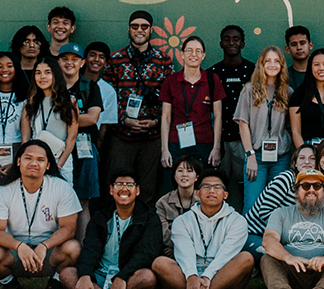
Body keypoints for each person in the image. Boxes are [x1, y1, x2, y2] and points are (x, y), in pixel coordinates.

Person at [0, 139, 81, 289]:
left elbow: (69, 228)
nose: (34, 163)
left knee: (73, 248)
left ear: (48, 165)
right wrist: (19, 247)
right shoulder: (2, 190)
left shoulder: (62, 188)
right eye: (28, 158)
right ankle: (11, 286)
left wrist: (44, 246)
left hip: (48, 252)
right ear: (18, 161)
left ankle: (54, 286)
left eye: (40, 160)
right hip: (14, 251)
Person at [60, 170, 161, 289]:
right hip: (100, 274)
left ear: (137, 190)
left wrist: (121, 277)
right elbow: (90, 249)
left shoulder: (149, 217)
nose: (124, 189)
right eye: (119, 184)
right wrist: (85, 275)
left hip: (127, 276)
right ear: (111, 190)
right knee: (66, 274)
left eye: (129, 185)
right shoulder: (100, 216)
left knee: (147, 278)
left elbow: (146, 253)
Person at [154, 168, 254, 289]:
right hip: (189, 273)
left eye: (217, 188)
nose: (211, 191)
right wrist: (192, 276)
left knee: (246, 259)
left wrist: (207, 276)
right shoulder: (182, 221)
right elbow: (184, 250)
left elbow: (227, 253)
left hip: (220, 273)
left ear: (225, 195)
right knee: (160, 263)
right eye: (206, 187)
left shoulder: (237, 221)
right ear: (197, 193)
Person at [106, 13, 172, 210]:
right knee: (117, 186)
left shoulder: (163, 60)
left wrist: (156, 121)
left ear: (151, 30)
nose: (139, 30)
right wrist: (124, 119)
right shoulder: (115, 59)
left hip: (152, 136)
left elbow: (170, 98)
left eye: (144, 26)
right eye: (135, 26)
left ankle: (143, 232)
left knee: (149, 189)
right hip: (122, 136)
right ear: (129, 29)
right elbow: (108, 97)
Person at [160, 36, 226, 184]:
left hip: (204, 143)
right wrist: (165, 149)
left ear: (203, 55)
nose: (193, 54)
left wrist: (216, 148)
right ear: (182, 54)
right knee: (174, 187)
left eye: (198, 51)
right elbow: (166, 117)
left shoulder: (212, 79)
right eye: (189, 50)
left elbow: (218, 116)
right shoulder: (171, 81)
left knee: (202, 187)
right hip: (175, 144)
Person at [238, 46, 294, 215]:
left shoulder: (287, 92)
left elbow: (290, 126)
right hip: (257, 156)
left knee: (277, 208)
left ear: (282, 65)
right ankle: (253, 242)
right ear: (261, 64)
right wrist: (250, 155)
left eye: (276, 61)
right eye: (268, 60)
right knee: (252, 206)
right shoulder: (249, 89)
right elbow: (242, 123)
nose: (272, 64)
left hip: (281, 157)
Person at [245, 145, 319, 252]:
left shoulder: (314, 187)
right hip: (254, 233)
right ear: (295, 163)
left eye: (312, 158)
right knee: (279, 256)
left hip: (277, 237)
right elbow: (265, 212)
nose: (307, 162)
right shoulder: (286, 179)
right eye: (302, 158)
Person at [57, 45, 106, 202]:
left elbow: (92, 118)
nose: (69, 63)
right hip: (57, 146)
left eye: (75, 59)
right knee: (57, 197)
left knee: (83, 200)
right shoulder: (52, 86)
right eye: (65, 59)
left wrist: (59, 120)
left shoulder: (90, 86)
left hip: (84, 148)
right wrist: (77, 118)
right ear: (58, 62)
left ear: (82, 63)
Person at [212, 27, 255, 203]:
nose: (231, 43)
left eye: (236, 39)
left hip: (244, 140)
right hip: (220, 140)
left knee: (247, 186)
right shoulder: (212, 72)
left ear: (242, 43)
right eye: (227, 39)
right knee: (218, 185)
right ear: (221, 43)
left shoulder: (253, 71)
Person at [24, 57, 80, 186]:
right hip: (35, 161)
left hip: (61, 160)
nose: (42, 76)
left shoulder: (70, 101)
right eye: (38, 72)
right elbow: (25, 138)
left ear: (55, 74)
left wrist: (58, 166)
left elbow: (71, 138)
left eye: (47, 72)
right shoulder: (29, 103)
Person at [0, 52, 27, 192]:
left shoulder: (24, 97)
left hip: (16, 149)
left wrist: (17, 160)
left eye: (9, 66)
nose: (5, 70)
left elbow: (26, 134)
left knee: (15, 194)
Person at [155, 157, 201, 254]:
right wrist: (179, 247)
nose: (184, 174)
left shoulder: (203, 200)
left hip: (199, 252)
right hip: (171, 252)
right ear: (175, 176)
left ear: (196, 177)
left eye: (189, 171)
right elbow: (163, 234)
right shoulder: (163, 203)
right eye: (180, 171)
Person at [285, 28, 316, 95]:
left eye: (302, 43)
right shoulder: (283, 77)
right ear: (287, 49)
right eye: (294, 44)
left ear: (310, 45)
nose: (299, 47)